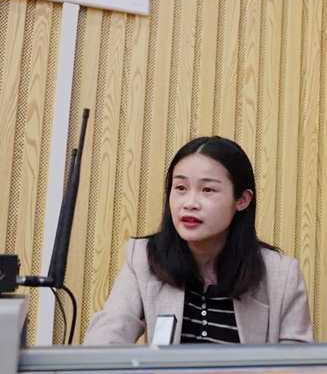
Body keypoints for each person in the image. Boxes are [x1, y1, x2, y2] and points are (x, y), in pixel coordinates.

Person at [83, 136, 313, 345]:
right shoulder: (144, 257)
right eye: (180, 188)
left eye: (208, 190)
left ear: (242, 200)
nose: (190, 203)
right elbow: (106, 337)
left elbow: (296, 366)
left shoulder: (281, 275)